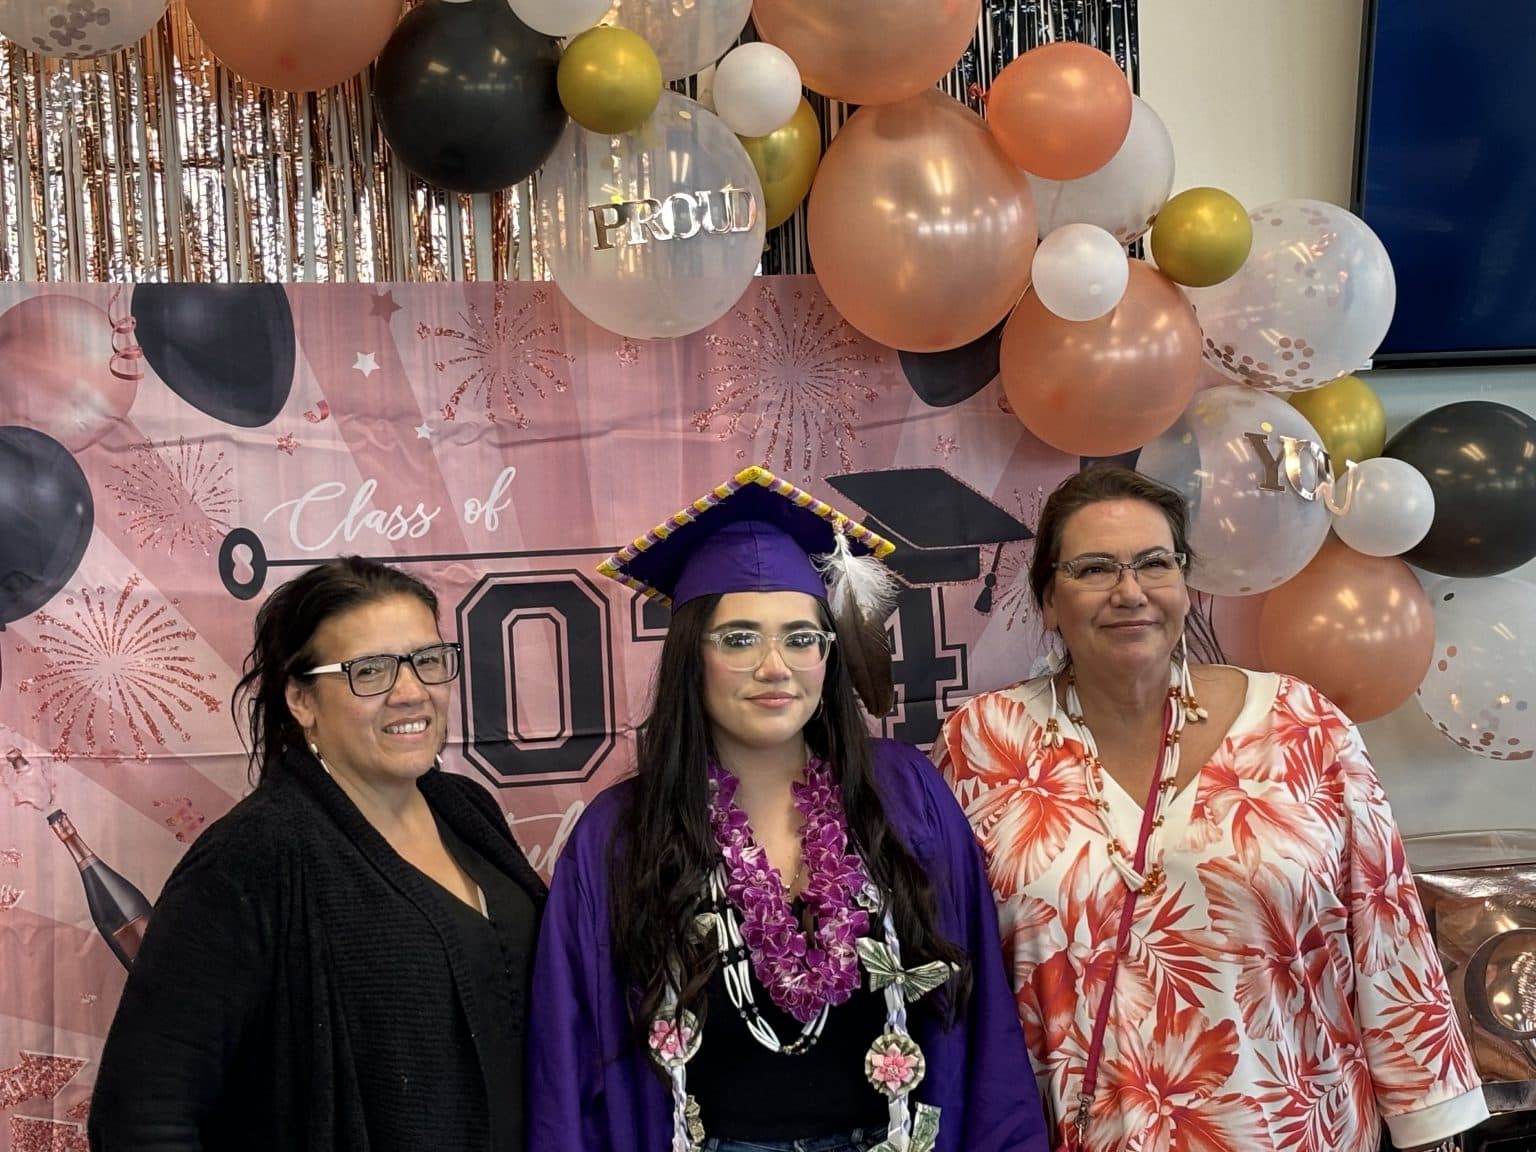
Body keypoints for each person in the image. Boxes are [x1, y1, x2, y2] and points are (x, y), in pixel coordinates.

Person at [934, 466, 1490, 1152]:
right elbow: (949, 959)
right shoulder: (985, 741)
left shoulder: (1301, 724)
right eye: (1095, 568)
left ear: (1186, 585)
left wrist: (1432, 1125)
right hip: (1081, 1135)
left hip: (1296, 1131)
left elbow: (1387, 931)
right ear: (1049, 600)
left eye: (1154, 563)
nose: (1130, 591)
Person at [529, 467, 1048, 1152]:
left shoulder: (902, 796)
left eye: (802, 638)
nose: (776, 666)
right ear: (692, 657)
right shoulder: (620, 836)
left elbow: (981, 1031)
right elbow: (568, 1063)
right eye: (740, 638)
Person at [89, 556, 546, 1152]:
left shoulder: (466, 809)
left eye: (427, 661)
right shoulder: (252, 857)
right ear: (302, 701)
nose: (411, 692)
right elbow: (141, 1118)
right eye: (370, 671)